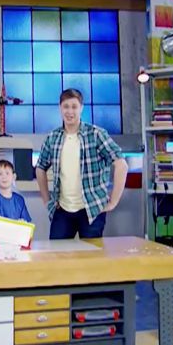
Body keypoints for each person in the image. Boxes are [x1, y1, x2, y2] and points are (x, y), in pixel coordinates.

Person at [35, 88, 128, 239]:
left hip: (92, 209)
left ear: (81, 108)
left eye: (74, 107)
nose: (70, 111)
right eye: (66, 106)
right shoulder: (52, 137)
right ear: (60, 108)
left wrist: (113, 202)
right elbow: (40, 168)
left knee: (90, 254)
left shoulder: (96, 134)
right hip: (62, 209)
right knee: (57, 252)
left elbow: (121, 165)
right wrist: (47, 201)